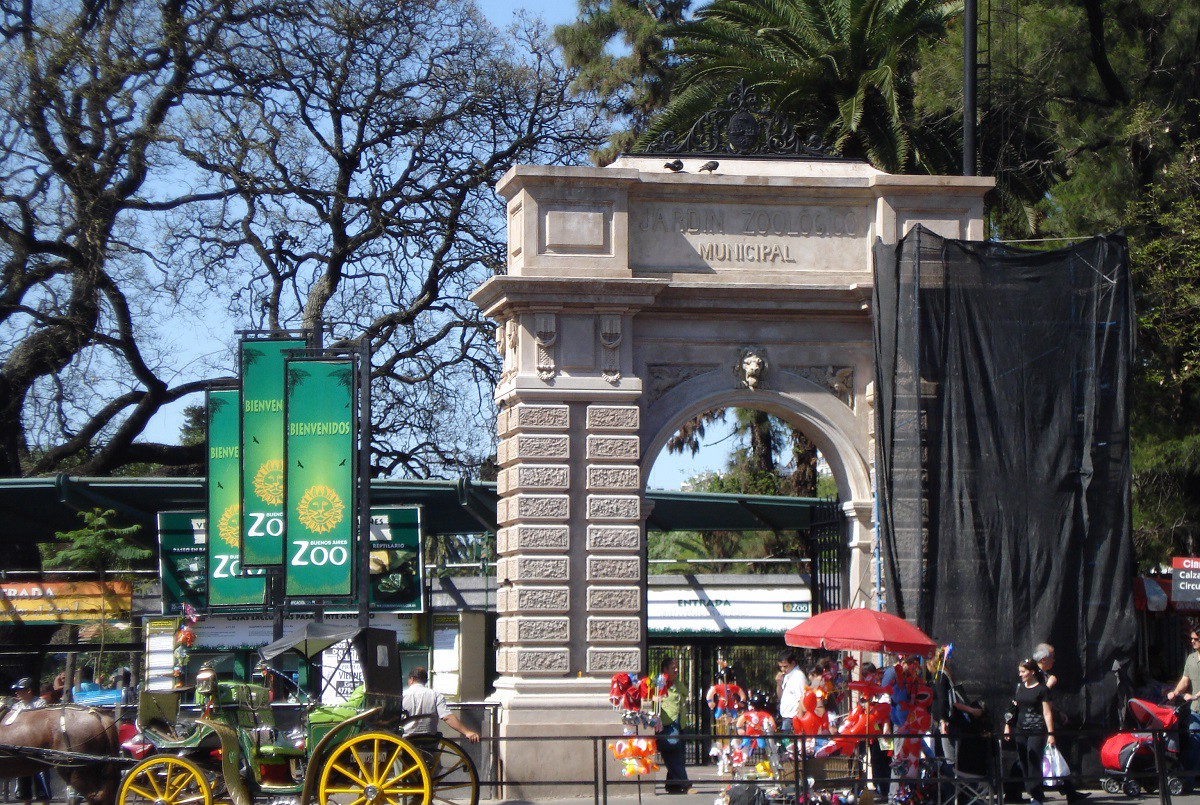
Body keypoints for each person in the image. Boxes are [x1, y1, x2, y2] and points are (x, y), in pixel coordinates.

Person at [1032, 643, 1089, 801]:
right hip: (1037, 722)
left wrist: (1058, 713)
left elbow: (1047, 703)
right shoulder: (1035, 675)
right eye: (1052, 657)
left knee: (1052, 755)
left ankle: (1069, 792)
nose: (1054, 660)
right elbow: (1036, 698)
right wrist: (1049, 685)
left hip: (1046, 719)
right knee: (1031, 757)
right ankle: (1017, 790)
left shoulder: (1043, 674)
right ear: (1043, 659)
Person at [1004, 659, 1055, 805]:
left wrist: (1051, 734)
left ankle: (1037, 796)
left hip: (1037, 729)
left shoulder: (1042, 689)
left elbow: (1047, 713)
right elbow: (1013, 708)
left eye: (1023, 671)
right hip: (1021, 729)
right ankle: (1030, 790)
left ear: (1032, 672)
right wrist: (1007, 725)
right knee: (1023, 761)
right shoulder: (1020, 688)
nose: (1020, 674)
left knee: (1033, 760)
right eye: (1019, 671)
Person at [400, 667, 480, 743]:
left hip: (407, 740)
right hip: (429, 739)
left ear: (412, 679)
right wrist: (467, 732)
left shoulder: (402, 695)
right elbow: (447, 717)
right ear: (425, 680)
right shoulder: (436, 695)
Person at [9, 679, 49, 805]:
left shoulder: (40, 703)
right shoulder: (16, 706)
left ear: (29, 691)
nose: (17, 693)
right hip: (22, 749)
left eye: (20, 690)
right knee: (24, 789)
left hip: (38, 749)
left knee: (43, 790)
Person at [655, 657, 690, 794]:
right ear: (665, 669)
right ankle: (684, 782)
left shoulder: (676, 682)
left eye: (676, 668)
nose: (676, 670)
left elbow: (685, 693)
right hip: (667, 723)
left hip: (679, 722)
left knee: (678, 754)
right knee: (672, 751)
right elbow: (653, 699)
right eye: (673, 668)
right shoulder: (659, 682)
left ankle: (673, 785)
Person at [776, 649, 808, 734]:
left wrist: (799, 721)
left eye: (785, 666)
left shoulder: (798, 676)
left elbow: (802, 699)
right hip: (786, 717)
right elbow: (780, 697)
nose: (783, 669)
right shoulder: (787, 676)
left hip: (793, 718)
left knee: (789, 741)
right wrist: (779, 684)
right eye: (780, 667)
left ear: (793, 663)